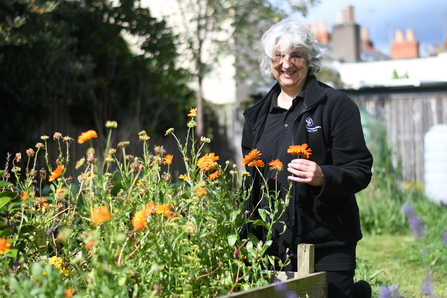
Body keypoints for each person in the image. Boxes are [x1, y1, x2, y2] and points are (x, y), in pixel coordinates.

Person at [241, 18, 373, 298]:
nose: (287, 64)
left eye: (296, 55)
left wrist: (324, 176)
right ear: (270, 61)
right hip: (271, 245)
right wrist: (244, 237)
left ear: (309, 60)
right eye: (279, 56)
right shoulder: (256, 117)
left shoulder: (335, 106)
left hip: (327, 240)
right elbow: (250, 186)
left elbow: (360, 169)